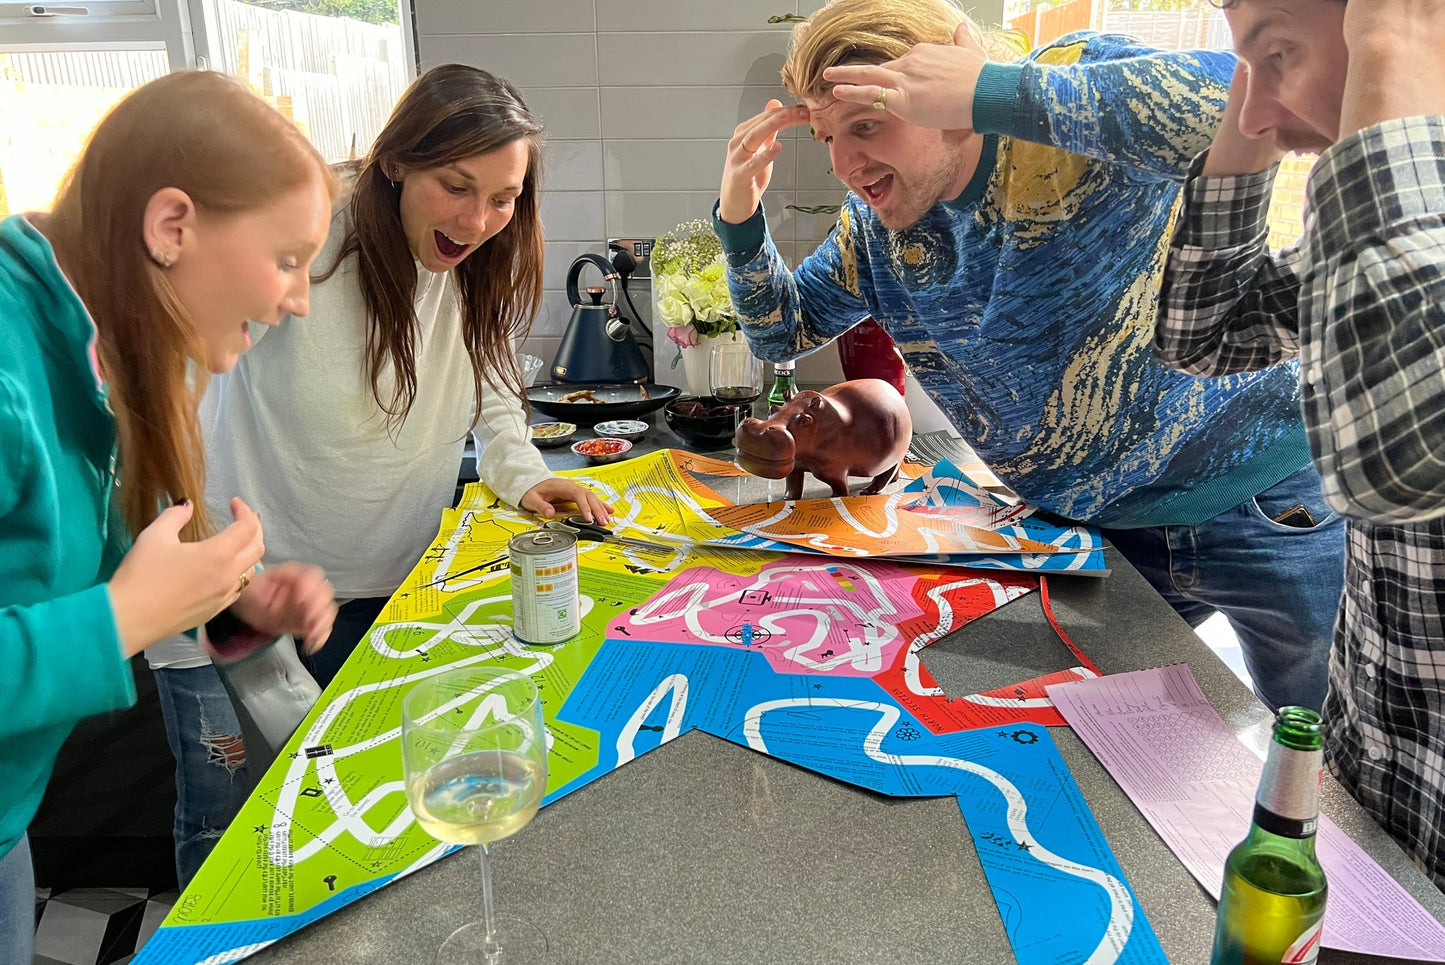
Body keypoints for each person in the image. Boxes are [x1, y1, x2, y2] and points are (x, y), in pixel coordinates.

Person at [714, 0, 1345, 714]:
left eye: (866, 125)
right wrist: (739, 216)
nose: (844, 165)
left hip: (1270, 506)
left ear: (950, 76)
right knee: (1087, 744)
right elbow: (784, 332)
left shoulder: (1058, 91)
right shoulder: (874, 231)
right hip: (1094, 536)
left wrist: (988, 90)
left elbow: (1244, 97)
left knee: (1329, 746)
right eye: (828, 136)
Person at [145, 64, 612, 887]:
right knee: (232, 830)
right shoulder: (305, 236)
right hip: (228, 589)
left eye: (502, 198)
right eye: (454, 186)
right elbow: (172, 395)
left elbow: (494, 393)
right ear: (395, 161)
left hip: (388, 590)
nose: (476, 221)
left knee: (357, 815)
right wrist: (198, 558)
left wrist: (524, 474)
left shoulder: (482, 260)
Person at [0, 71, 341, 959]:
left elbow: (81, 555)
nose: (297, 299)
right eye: (287, 259)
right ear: (172, 227)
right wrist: (124, 618)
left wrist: (229, 600)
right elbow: (106, 606)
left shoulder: (102, 346)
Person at [1156, 0, 1445, 886]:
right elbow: (1202, 332)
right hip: (1378, 792)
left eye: (1278, 53)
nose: (1249, 114)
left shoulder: (1396, 208)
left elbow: (1398, 459)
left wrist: (1390, 46)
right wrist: (1260, 72)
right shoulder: (1378, 222)